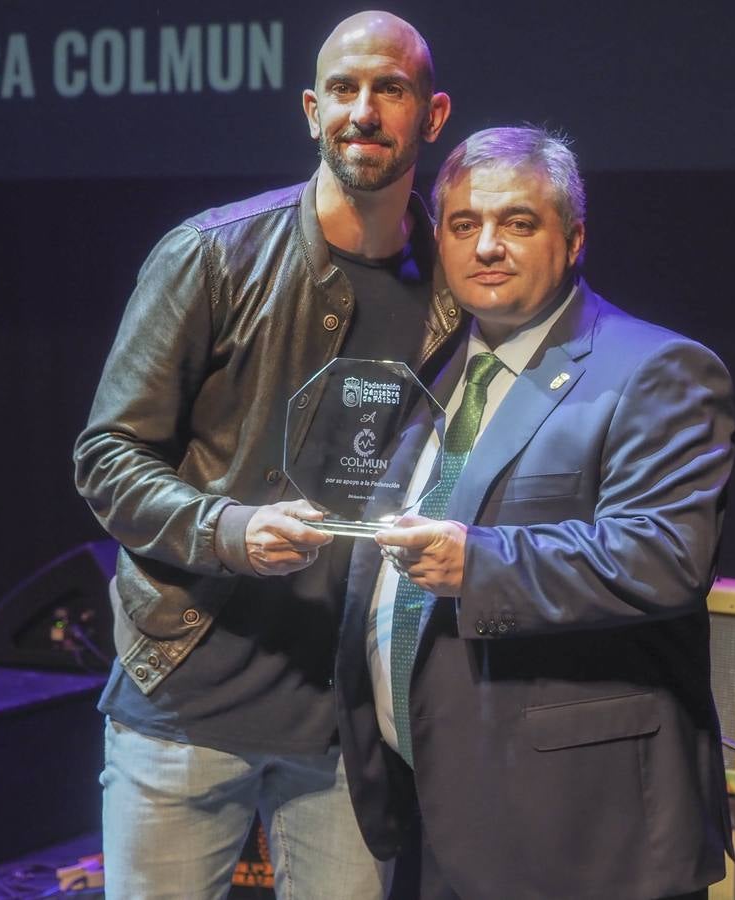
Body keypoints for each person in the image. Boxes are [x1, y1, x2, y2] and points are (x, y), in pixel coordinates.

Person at [72, 11, 457, 899]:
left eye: (389, 90)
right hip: (186, 700)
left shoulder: (456, 282)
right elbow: (106, 456)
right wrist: (228, 529)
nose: (365, 110)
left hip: (349, 725)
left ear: (431, 116)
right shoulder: (211, 254)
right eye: (346, 90)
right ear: (311, 111)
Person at [333, 126, 735, 899]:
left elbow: (666, 556)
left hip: (583, 838)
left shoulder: (656, 371)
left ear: (574, 238)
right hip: (434, 817)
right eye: (463, 225)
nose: (487, 246)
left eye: (518, 223)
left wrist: (476, 563)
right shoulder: (435, 373)